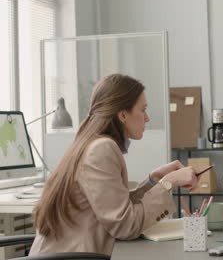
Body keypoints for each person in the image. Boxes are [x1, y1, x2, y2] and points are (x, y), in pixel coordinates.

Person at [30, 74, 199, 256]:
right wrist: (168, 183)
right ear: (123, 114)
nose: (147, 118)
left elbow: (115, 206)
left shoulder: (92, 143)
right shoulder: (102, 149)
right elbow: (125, 225)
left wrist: (154, 180)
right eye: (143, 110)